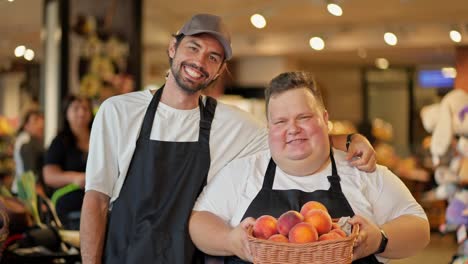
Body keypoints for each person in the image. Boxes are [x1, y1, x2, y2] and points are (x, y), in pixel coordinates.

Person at [80, 14, 377, 264]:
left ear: (220, 70)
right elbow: (95, 201)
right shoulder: (118, 111)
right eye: (193, 48)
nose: (199, 61)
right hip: (124, 255)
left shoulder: (230, 123)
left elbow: (292, 137)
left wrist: (352, 139)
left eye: (212, 57)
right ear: (173, 47)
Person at [189, 71, 430, 264]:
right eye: (281, 121)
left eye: (303, 117)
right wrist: (230, 241)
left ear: (325, 120)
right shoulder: (242, 173)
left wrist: (380, 239)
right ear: (269, 128)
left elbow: (419, 227)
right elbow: (199, 221)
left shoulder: (361, 170)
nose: (292, 129)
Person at [43, 95, 93, 229]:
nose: (81, 113)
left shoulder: (99, 138)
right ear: (66, 113)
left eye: (85, 108)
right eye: (76, 108)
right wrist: (76, 178)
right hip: (71, 208)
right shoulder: (59, 142)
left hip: (99, 203)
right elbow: (49, 176)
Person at [12, 110, 45, 195]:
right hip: (26, 193)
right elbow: (30, 172)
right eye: (35, 120)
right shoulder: (27, 142)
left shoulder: (25, 139)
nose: (41, 124)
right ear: (26, 125)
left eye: (41, 119)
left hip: (23, 189)